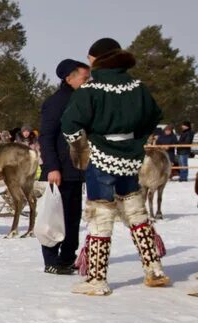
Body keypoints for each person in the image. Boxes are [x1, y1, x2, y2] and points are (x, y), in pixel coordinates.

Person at [61, 37, 168, 295]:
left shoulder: (91, 89)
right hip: (131, 158)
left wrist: (81, 147)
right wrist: (136, 141)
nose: (89, 62)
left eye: (90, 58)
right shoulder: (138, 87)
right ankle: (153, 268)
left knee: (100, 215)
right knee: (136, 211)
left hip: (101, 157)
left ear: (99, 58)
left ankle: (96, 279)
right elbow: (154, 116)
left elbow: (70, 123)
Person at [39, 59, 91, 275]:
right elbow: (46, 136)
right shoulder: (56, 102)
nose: (88, 81)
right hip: (59, 171)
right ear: (69, 78)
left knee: (72, 217)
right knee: (54, 217)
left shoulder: (83, 99)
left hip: (77, 170)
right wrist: (52, 167)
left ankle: (67, 257)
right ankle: (51, 259)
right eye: (84, 78)